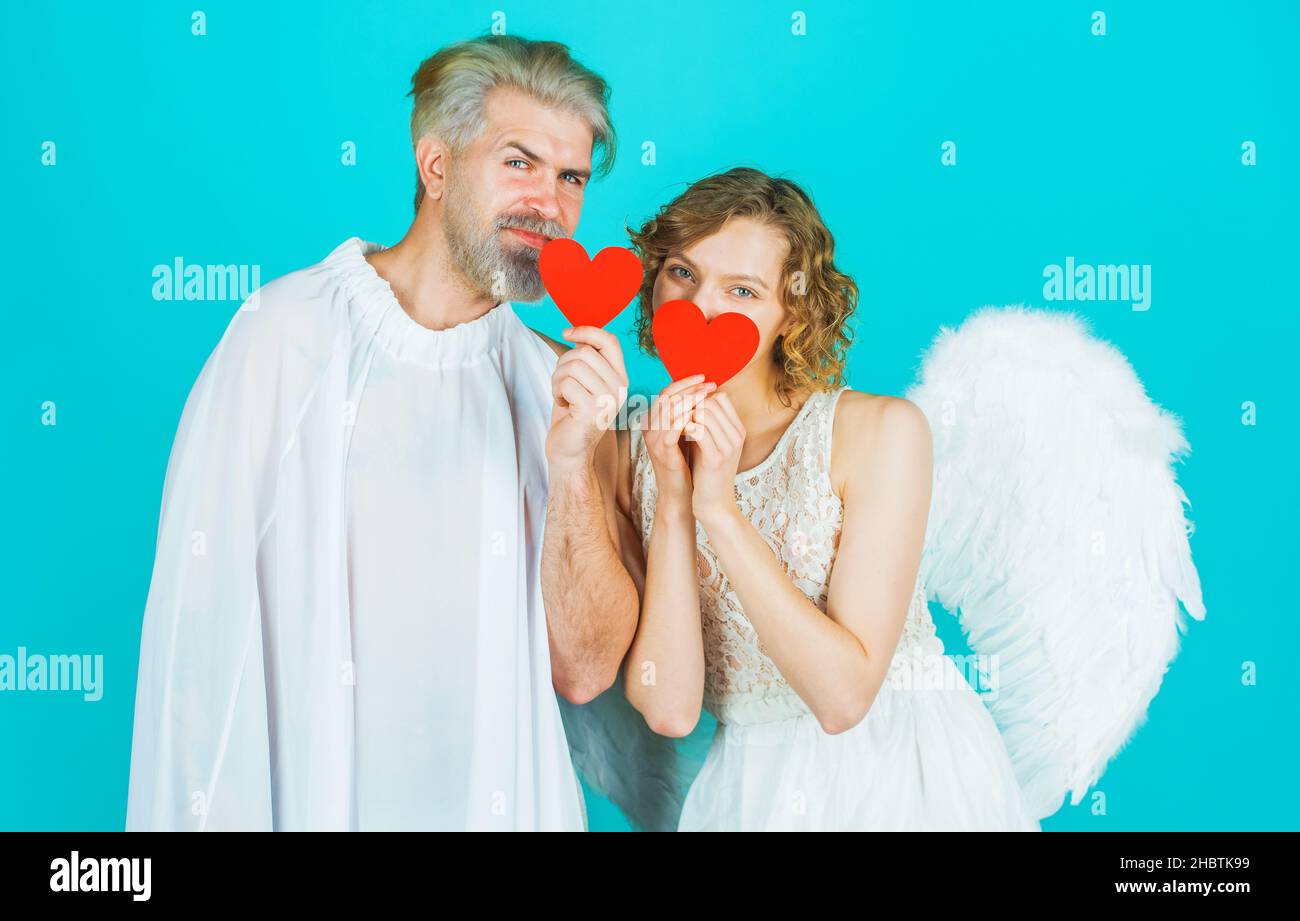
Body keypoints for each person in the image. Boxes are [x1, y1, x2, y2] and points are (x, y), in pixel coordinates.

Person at [125, 34, 639, 831]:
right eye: (519, 162)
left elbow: (584, 667)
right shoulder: (282, 335)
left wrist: (574, 467)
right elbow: (201, 640)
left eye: (570, 177)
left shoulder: (561, 385)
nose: (551, 204)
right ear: (435, 166)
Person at [603, 167, 1041, 830]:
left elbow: (842, 699)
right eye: (683, 273)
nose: (698, 308)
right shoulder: (633, 450)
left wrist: (718, 510)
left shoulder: (880, 433)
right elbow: (669, 707)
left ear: (792, 314)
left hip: (898, 778)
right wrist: (674, 499)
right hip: (748, 789)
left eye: (743, 289)